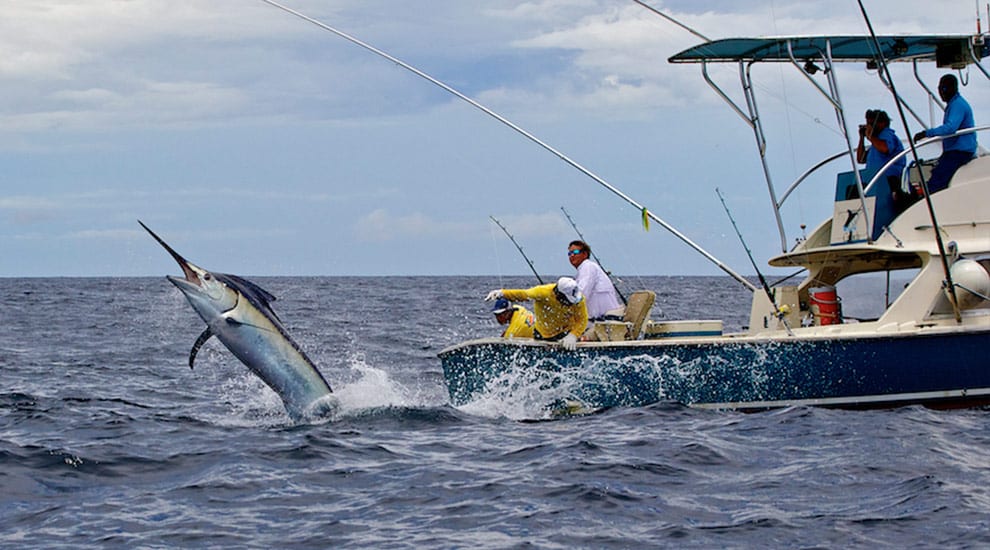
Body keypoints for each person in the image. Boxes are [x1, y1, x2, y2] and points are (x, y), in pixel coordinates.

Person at [913, 74, 977, 194]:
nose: (941, 93)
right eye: (940, 89)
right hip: (953, 152)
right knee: (935, 174)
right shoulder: (953, 104)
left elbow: (950, 128)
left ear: (952, 88)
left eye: (944, 89)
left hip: (960, 153)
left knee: (937, 182)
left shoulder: (958, 104)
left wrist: (927, 133)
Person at [485, 276, 587, 350]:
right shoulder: (543, 292)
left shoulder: (578, 299)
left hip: (565, 334)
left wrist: (573, 335)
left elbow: (582, 320)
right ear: (558, 294)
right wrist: (502, 293)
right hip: (542, 334)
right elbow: (524, 294)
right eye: (567, 300)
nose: (570, 303)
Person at [567, 240, 624, 340]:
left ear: (585, 254)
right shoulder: (584, 270)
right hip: (596, 321)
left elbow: (582, 294)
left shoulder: (587, 267)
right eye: (569, 253)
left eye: (575, 252)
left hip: (604, 322)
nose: (571, 256)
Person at [857, 109, 908, 207]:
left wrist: (871, 137)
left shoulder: (887, 134)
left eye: (872, 124)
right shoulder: (876, 143)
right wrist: (862, 138)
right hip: (874, 180)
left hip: (888, 180)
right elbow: (861, 159)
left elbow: (885, 149)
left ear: (882, 123)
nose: (870, 127)